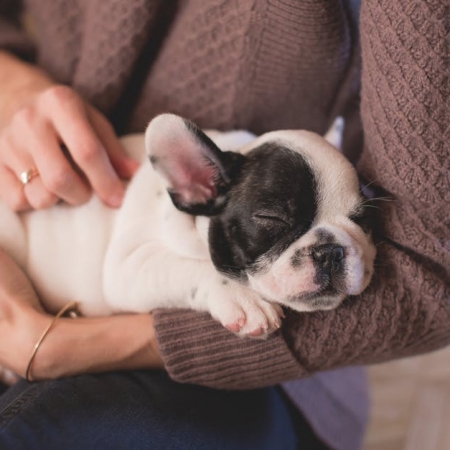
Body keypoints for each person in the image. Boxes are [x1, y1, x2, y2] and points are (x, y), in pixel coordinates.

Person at [0, 0, 448, 449]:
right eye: (274, 223)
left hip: (250, 380)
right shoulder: (180, 200)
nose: (328, 253)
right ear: (193, 184)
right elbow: (125, 279)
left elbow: (431, 260)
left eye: (358, 222)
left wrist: (56, 348)